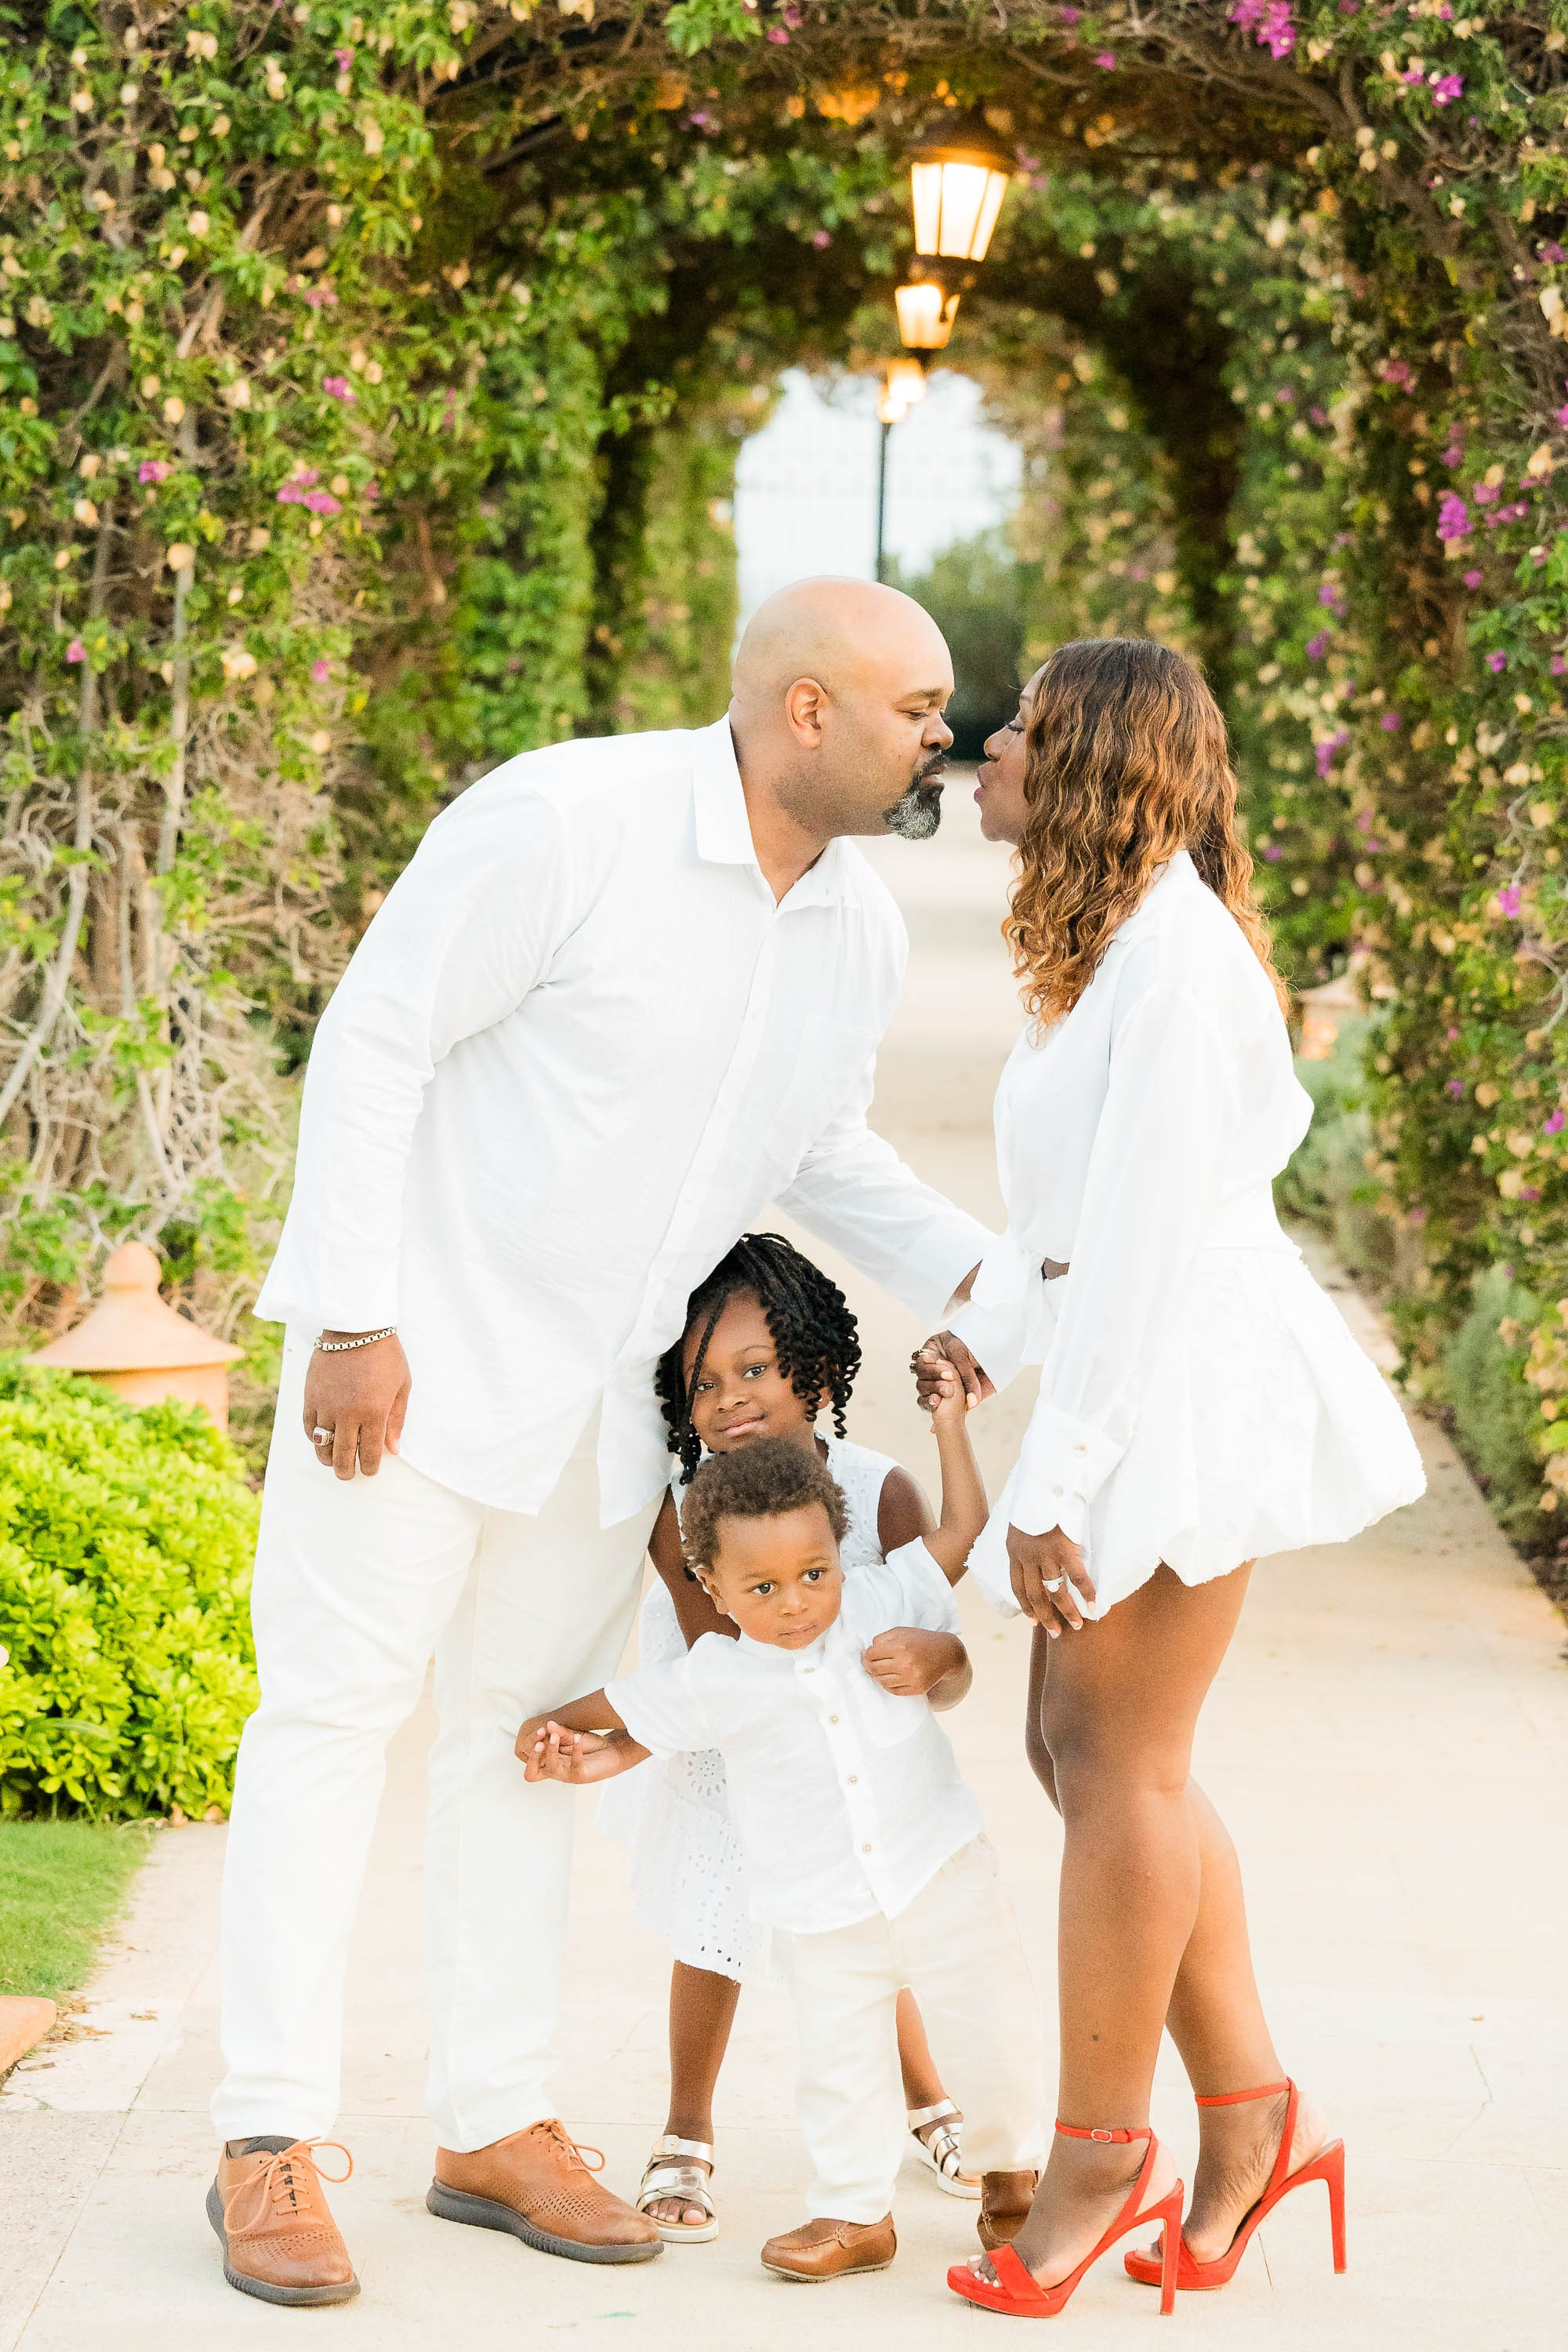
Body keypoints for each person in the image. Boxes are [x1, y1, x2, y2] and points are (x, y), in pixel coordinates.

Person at [205, 578, 996, 2309]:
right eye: (916, 705)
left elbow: (824, 1149)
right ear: (806, 708)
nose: (945, 732)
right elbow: (377, 1039)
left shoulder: (855, 928)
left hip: (599, 1425)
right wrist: (350, 1319)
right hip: (413, 1379)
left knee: (526, 1750)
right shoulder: (568, 821)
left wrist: (1000, 1288)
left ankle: (491, 2124)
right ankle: (265, 2133)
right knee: (329, 1724)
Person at [915, 638, 1424, 2319]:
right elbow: (1075, 1219)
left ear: (1091, 767)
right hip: (1142, 1368)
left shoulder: (1179, 969)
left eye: (1019, 729)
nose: (985, 747)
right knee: (1085, 1752)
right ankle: (1258, 2115)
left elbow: (1140, 1254)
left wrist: (1052, 1483)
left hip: (1183, 1386)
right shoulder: (1116, 948)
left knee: (1116, 1760)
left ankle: (1099, 2159)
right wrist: (988, 1330)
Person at [516, 1439, 1047, 2282]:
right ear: (713, 1588)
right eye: (762, 1588)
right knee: (839, 2067)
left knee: (995, 2034)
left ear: (839, 1552)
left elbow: (964, 1528)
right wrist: (555, 1741)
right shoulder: (715, 1676)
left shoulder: (880, 1598)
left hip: (941, 1872)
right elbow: (618, 1720)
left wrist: (947, 1421)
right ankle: (854, 2214)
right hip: (820, 1910)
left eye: (814, 1573)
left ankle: (1013, 2182)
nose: (796, 1603)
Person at [596, 1230, 993, 2240]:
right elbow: (721, 1661)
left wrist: (932, 1663)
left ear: (813, 1373)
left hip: (856, 1765)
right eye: (702, 1384)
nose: (728, 1400)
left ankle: (929, 2100)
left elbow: (941, 1658)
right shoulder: (682, 1511)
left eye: (755, 1370)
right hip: (731, 1749)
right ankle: (686, 2129)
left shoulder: (880, 1490)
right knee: (715, 1924)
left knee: (874, 1920)